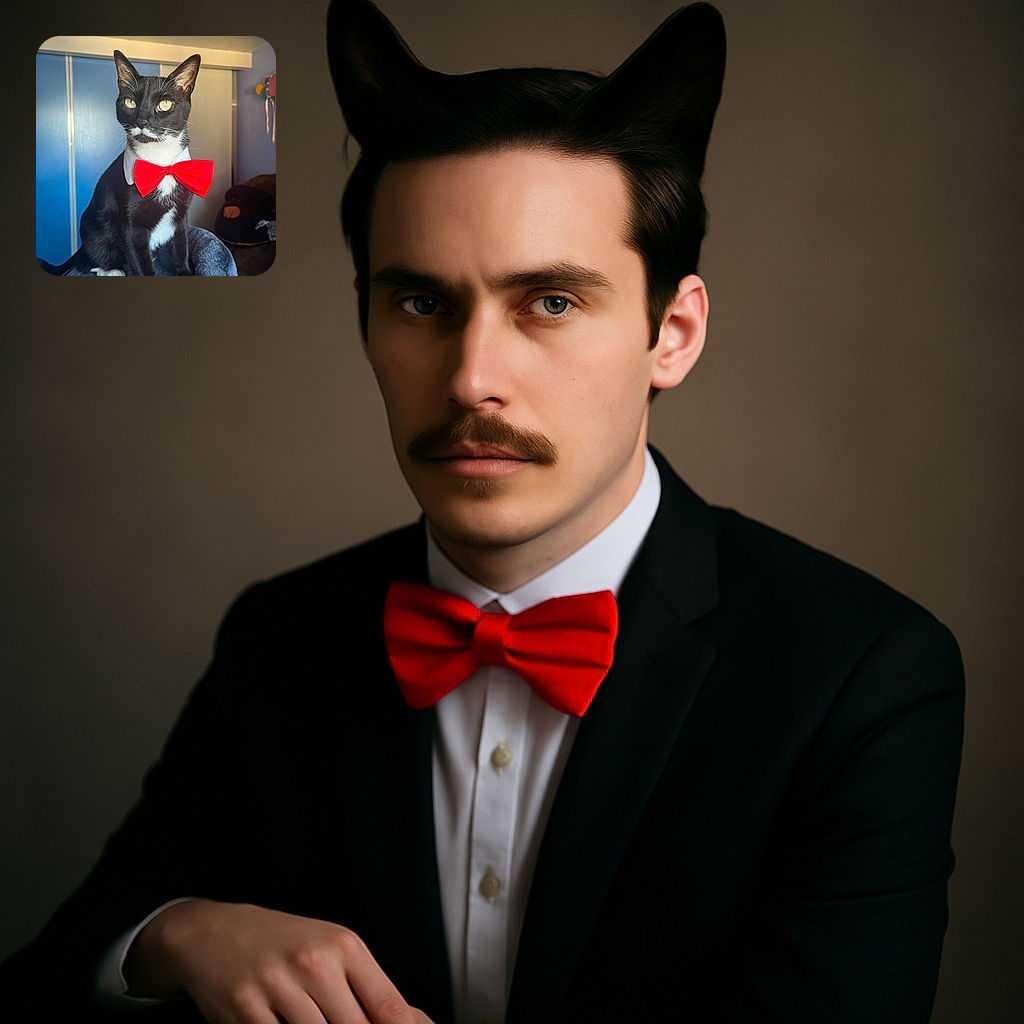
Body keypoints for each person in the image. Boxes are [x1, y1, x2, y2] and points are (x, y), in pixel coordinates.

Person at [0, 1, 963, 1022]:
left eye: (550, 302)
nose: (470, 379)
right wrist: (174, 933)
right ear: (365, 321)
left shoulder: (861, 673)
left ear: (671, 334)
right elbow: (55, 968)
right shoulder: (279, 642)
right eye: (421, 303)